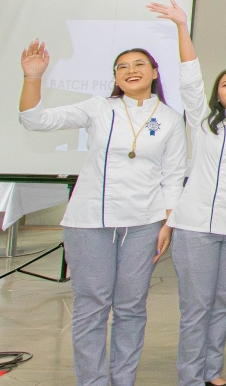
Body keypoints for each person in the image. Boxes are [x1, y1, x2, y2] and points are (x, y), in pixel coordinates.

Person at [19, 41, 185, 386]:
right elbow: (36, 121)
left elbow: (174, 175)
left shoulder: (170, 119)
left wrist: (168, 223)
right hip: (88, 221)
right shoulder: (99, 107)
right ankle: (92, 382)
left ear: (155, 73)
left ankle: (122, 380)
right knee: (92, 304)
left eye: (139, 64)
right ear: (115, 77)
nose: (131, 70)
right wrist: (32, 78)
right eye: (122, 66)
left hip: (144, 222)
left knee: (130, 306)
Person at [149, 0, 226, 386]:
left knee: (222, 306)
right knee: (196, 307)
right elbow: (189, 79)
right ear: (217, 95)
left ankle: (211, 373)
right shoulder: (204, 122)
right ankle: (189, 378)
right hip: (196, 227)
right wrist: (183, 26)